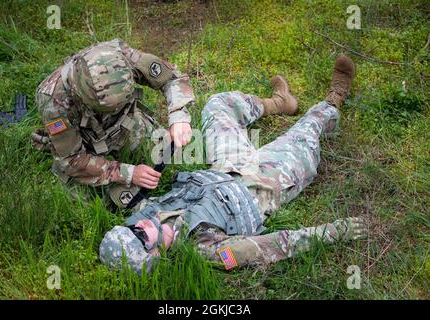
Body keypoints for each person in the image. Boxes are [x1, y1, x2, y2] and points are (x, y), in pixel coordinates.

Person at [100, 55, 367, 274]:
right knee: (306, 132)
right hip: (263, 183)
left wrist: (126, 175)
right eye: (141, 237)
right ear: (154, 254)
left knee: (217, 105)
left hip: (225, 167)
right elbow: (278, 244)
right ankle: (335, 99)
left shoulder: (147, 214)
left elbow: (118, 193)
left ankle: (278, 103)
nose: (142, 227)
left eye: (133, 227)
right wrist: (334, 232)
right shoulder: (205, 248)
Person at [31, 38, 195, 207]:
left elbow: (171, 77)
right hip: (85, 145)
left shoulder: (122, 57)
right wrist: (128, 173)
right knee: (94, 202)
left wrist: (178, 116)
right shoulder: (53, 101)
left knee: (169, 155)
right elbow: (71, 161)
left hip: (125, 125)